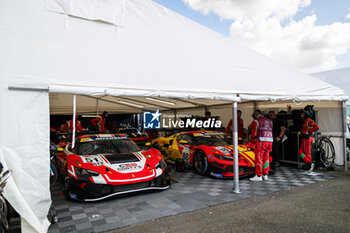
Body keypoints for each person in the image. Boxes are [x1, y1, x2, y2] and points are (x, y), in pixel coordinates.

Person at [249, 110, 273, 181]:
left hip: (262, 141)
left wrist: (253, 139)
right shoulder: (270, 121)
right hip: (270, 141)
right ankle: (265, 175)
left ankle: (258, 175)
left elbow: (254, 134)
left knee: (259, 158)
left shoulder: (256, 121)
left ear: (256, 115)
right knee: (266, 158)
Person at [298, 107, 319, 172]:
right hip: (304, 138)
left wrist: (309, 131)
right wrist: (300, 132)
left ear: (306, 114)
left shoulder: (309, 121)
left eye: (303, 114)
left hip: (308, 138)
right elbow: (304, 129)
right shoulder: (304, 121)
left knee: (307, 153)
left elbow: (317, 127)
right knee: (300, 152)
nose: (301, 115)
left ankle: (309, 165)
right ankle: (309, 163)